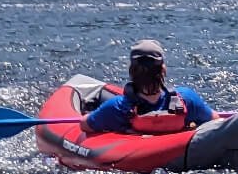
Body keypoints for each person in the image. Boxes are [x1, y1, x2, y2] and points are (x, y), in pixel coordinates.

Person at [83, 39, 215, 134]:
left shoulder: (117, 107)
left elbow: (85, 125)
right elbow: (215, 121)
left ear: (132, 70)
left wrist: (119, 129)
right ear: (163, 69)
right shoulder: (186, 98)